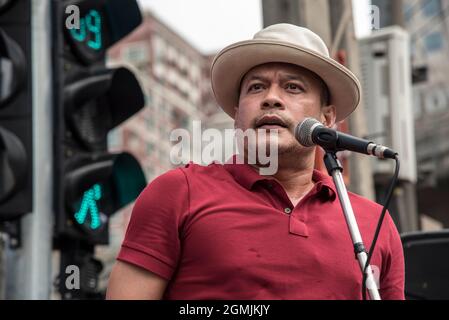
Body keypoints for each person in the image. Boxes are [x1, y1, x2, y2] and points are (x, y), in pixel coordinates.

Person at [106, 24, 405, 300]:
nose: (271, 98)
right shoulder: (178, 192)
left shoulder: (373, 221)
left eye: (293, 87)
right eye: (256, 87)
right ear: (237, 115)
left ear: (326, 118)